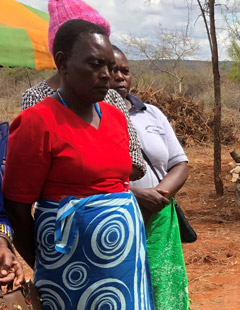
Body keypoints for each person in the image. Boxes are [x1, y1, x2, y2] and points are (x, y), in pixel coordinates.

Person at [3, 19, 172, 310]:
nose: (105, 74)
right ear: (63, 64)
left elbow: (120, 181)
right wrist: (43, 265)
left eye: (107, 64)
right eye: (93, 64)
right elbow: (18, 201)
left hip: (123, 270)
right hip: (69, 272)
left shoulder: (116, 117)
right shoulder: (37, 122)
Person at [110, 46, 199, 310]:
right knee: (126, 303)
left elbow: (180, 163)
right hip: (115, 221)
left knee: (162, 300)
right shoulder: (93, 116)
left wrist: (157, 195)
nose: (118, 77)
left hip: (160, 220)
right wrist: (134, 197)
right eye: (110, 69)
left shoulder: (151, 114)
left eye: (124, 71)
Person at [21, 0, 146, 181]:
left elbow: (136, 163)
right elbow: (34, 173)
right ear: (63, 58)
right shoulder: (36, 99)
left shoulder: (111, 98)